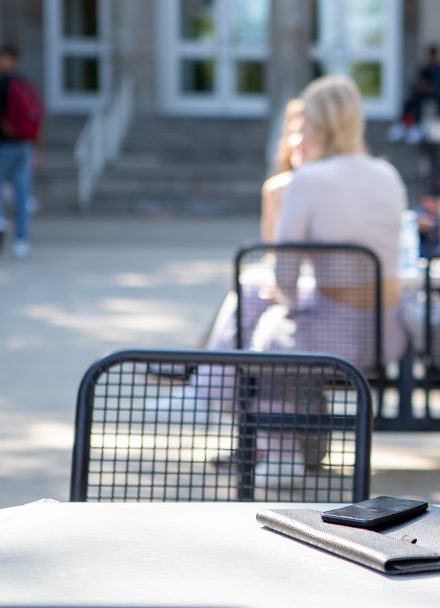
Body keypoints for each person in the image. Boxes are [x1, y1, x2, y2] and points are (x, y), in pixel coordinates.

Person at [150, 75, 410, 486]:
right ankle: (210, 395)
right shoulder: (387, 174)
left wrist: (280, 288)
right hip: (385, 329)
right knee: (258, 294)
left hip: (336, 335)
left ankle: (252, 430)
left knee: (267, 321)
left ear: (317, 124)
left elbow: (284, 278)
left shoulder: (309, 180)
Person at [0, 43, 43, 258]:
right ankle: (21, 240)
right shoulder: (25, 83)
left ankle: (3, 225)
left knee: (17, 193)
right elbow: (38, 118)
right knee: (22, 193)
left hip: (6, 145)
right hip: (24, 145)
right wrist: (36, 149)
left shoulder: (4, 83)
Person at [260, 99, 305, 242]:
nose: (298, 140)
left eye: (305, 132)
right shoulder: (275, 188)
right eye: (294, 132)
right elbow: (270, 246)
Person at [388, 45, 440, 144]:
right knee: (410, 100)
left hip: (434, 95)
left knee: (418, 100)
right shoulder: (424, 68)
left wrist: (427, 87)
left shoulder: (439, 69)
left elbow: (437, 86)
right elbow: (417, 82)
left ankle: (416, 126)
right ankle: (403, 124)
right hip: (421, 93)